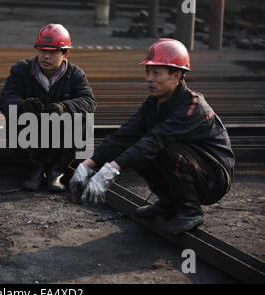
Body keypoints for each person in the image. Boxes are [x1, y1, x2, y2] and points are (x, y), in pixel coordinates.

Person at [69, 38, 235, 234]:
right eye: (148, 72)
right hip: (193, 166)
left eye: (156, 73)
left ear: (176, 76)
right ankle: (169, 203)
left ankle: (191, 211)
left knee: (156, 147)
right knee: (138, 147)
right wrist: (89, 164)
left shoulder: (192, 106)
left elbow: (157, 139)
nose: (149, 78)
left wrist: (112, 169)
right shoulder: (153, 103)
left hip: (213, 177)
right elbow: (125, 133)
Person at [0, 23, 97, 192]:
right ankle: (35, 171)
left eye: (53, 52)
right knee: (13, 118)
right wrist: (23, 105)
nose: (46, 56)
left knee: (83, 121)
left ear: (65, 53)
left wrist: (63, 107)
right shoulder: (21, 70)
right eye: (43, 51)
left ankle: (56, 172)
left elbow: (89, 101)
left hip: (61, 136)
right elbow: (5, 98)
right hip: (32, 133)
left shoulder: (75, 74)